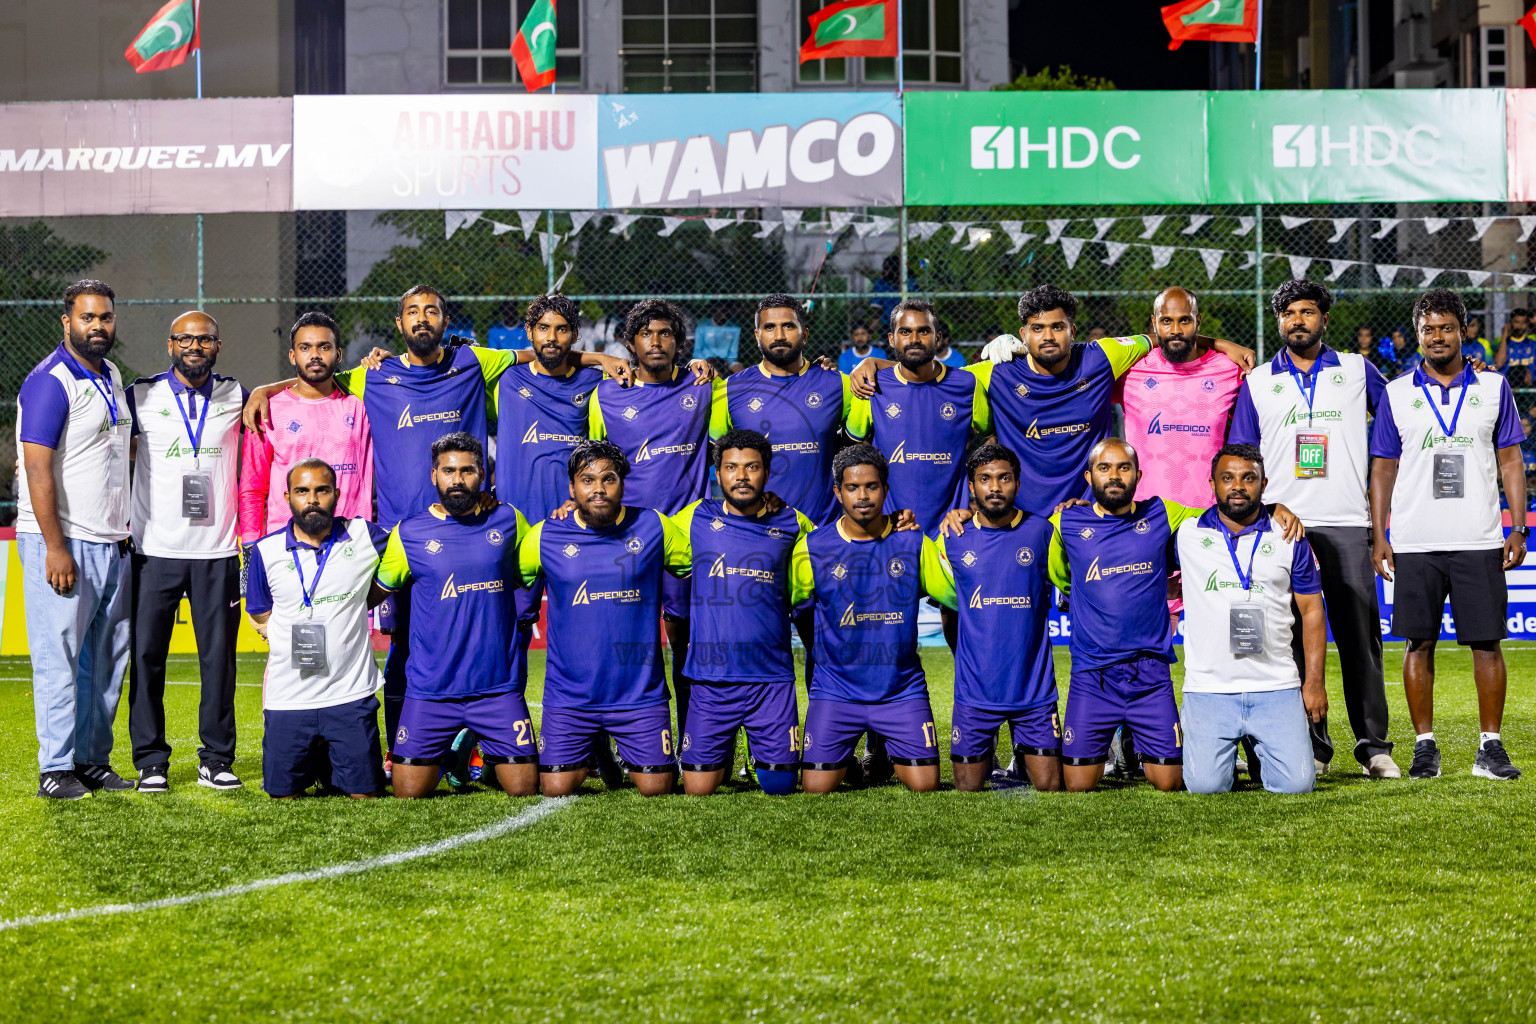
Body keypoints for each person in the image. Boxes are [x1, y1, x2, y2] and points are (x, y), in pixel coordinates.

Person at [244, 285, 630, 764]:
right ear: (401, 324)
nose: (422, 319)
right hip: (403, 536)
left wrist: (597, 358)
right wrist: (265, 389)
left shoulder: (473, 362)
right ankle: (397, 751)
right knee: (404, 645)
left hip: (473, 529)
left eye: (432, 311)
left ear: (446, 323)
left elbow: (541, 350)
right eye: (412, 312)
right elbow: (315, 377)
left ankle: (492, 745)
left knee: (497, 635)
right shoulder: (374, 375)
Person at [1227, 280, 1396, 778]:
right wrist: (1271, 504)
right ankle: (1314, 748)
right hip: (1283, 529)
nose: (1297, 320)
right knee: (1294, 643)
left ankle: (1373, 746)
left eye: (1307, 312)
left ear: (1324, 318)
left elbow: (1400, 414)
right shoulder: (1258, 382)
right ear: (1278, 321)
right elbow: (1241, 456)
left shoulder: (1356, 370)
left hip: (1347, 522)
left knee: (1359, 640)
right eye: (1289, 314)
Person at [1369, 288, 1528, 782]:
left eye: (1446, 328)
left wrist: (1517, 526)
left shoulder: (1495, 387)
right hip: (1415, 539)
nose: (1437, 337)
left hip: (1479, 536)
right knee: (1419, 642)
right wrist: (1381, 535)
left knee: (1487, 643)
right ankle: (1424, 747)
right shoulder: (1396, 393)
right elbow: (1383, 469)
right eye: (1427, 329)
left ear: (1463, 331)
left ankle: (1491, 748)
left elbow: (1511, 461)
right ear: (1417, 335)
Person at [948, 284, 1253, 516]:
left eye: (1058, 327)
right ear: (1023, 334)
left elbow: (1168, 335)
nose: (1048, 336)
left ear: (1073, 330)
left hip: (1093, 511)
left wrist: (1219, 344)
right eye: (1037, 329)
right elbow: (934, 379)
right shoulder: (995, 372)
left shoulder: (1103, 357)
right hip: (1024, 515)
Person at [519, 440, 691, 798]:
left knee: (657, 788)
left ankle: (608, 747)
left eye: (609, 479)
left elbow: (697, 565)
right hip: (570, 698)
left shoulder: (655, 526)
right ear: (572, 488)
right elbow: (510, 591)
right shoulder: (543, 536)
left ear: (622, 484)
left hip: (638, 696)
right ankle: (595, 745)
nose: (598, 489)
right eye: (587, 480)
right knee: (555, 788)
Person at [16, 279, 133, 799]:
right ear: (67, 322)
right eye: (88, 318)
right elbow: (37, 470)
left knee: (106, 661)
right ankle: (55, 768)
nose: (98, 327)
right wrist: (56, 546)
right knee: (59, 656)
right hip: (63, 541)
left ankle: (91, 761)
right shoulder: (49, 381)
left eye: (105, 317)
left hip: (112, 540)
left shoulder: (110, 373)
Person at [589, 298, 726, 738]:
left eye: (666, 333)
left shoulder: (703, 388)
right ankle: (618, 744)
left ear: (680, 342)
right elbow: (594, 466)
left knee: (686, 646)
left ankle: (692, 742)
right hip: (625, 539)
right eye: (646, 333)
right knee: (624, 646)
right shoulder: (606, 395)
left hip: (684, 540)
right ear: (630, 343)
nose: (656, 341)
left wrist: (712, 369)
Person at [373, 432, 537, 798]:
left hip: (497, 690)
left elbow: (535, 564)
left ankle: (475, 754)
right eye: (448, 471)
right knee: (408, 793)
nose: (457, 479)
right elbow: (374, 593)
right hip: (431, 691)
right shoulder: (409, 533)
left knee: (524, 789)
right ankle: (455, 754)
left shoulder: (509, 520)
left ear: (482, 475)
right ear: (434, 475)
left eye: (467, 471)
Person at [124, 310, 247, 793]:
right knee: (147, 656)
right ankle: (151, 760)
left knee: (219, 660)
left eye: (205, 339)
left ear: (217, 346)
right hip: (152, 549)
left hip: (217, 550)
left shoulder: (238, 395)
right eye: (185, 339)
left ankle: (216, 758)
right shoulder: (139, 395)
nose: (194, 346)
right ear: (170, 344)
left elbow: (287, 390)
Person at [1038, 439, 1205, 793]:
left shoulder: (1161, 512)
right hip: (1093, 675)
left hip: (1150, 675)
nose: (1114, 476)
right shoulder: (1066, 521)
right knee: (1078, 785)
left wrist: (1274, 508)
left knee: (1169, 783)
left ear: (1138, 475)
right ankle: (1121, 742)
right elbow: (1061, 575)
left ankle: (1132, 743)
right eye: (1104, 468)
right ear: (1089, 476)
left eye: (1123, 468)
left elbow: (1215, 520)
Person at [789, 444, 946, 794]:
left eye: (872, 486)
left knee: (925, 785)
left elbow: (953, 595)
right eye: (852, 488)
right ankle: (851, 761)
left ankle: (887, 751)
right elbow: (783, 601)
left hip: (900, 690)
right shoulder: (812, 547)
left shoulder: (914, 543)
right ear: (837, 492)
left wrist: (964, 521)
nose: (863, 496)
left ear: (886, 490)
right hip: (836, 691)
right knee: (816, 789)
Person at [671, 430, 817, 796]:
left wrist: (896, 521)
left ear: (767, 473)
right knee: (699, 790)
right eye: (731, 467)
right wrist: (570, 510)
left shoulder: (792, 521)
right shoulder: (695, 518)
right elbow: (636, 530)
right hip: (710, 679)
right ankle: (723, 751)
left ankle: (757, 754)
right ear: (717, 474)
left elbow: (840, 543)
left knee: (780, 787)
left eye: (751, 467)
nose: (741, 476)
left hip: (771, 679)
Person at [1177, 444, 1328, 794]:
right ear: (1212, 484)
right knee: (1205, 788)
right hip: (1209, 689)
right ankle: (1232, 752)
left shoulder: (1289, 537)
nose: (1238, 486)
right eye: (1227, 478)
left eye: (1249, 478)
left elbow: (1312, 611)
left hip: (1275, 685)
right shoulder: (1187, 534)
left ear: (1264, 483)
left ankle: (1261, 749)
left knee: (1296, 786)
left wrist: (1314, 683)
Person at [245, 459, 391, 799]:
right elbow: (260, 613)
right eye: (302, 491)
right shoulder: (264, 552)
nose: (312, 499)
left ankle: (333, 766)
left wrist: (364, 598)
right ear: (287, 497)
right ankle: (322, 765)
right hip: (288, 699)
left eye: (322, 490)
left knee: (365, 795)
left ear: (336, 494)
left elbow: (406, 549)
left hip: (349, 697)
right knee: (283, 796)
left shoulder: (364, 536)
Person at [925, 444, 1061, 791]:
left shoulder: (1043, 532)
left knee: (1050, 784)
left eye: (1004, 478)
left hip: (1033, 690)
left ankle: (1021, 753)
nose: (995, 487)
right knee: (968, 787)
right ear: (972, 487)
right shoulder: (952, 538)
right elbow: (947, 605)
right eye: (985, 479)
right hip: (976, 692)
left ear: (1017, 482)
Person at [844, 298, 990, 534]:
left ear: (938, 338)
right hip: (892, 529)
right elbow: (853, 444)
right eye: (905, 332)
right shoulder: (871, 385)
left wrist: (980, 500)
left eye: (924, 331)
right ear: (892, 339)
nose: (914, 339)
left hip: (952, 529)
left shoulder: (968, 384)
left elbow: (990, 437)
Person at [239, 312, 373, 544]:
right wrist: (251, 545)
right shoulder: (266, 410)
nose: (314, 355)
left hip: (351, 542)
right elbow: (252, 488)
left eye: (324, 347)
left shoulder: (361, 407)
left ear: (338, 354)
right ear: (292, 356)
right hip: (284, 544)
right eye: (305, 348)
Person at [719, 294, 852, 526]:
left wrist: (874, 363)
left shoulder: (838, 384)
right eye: (769, 327)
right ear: (757, 336)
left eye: (788, 326)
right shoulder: (729, 389)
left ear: (805, 334)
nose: (779, 336)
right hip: (756, 532)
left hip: (821, 532)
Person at [1497, 307, 1533, 387]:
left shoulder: (1532, 344)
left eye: (1523, 323)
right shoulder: (1503, 343)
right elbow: (1499, 363)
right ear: (1510, 323)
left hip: (1530, 388)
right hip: (1508, 386)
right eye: (1516, 322)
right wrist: (1505, 333)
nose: (1520, 326)